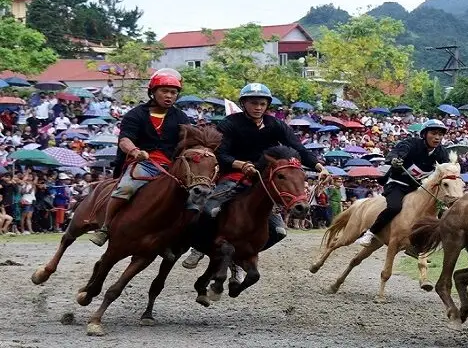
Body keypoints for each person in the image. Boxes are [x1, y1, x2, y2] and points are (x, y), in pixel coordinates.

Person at [181, 83, 329, 270]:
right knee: (210, 209)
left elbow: (298, 149)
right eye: (253, 103)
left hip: (264, 181)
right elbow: (220, 153)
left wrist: (319, 167)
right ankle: (199, 247)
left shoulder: (276, 125)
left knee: (279, 232)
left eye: (262, 103)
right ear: (244, 103)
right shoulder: (230, 123)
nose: (258, 107)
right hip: (234, 175)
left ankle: (239, 255)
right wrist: (241, 164)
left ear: (267, 105)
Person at [89, 68, 192, 250]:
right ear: (152, 92)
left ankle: (177, 237)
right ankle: (105, 227)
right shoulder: (135, 114)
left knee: (193, 196)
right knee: (126, 187)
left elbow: (188, 141)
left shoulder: (181, 117)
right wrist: (136, 151)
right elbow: (124, 140)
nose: (169, 96)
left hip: (171, 167)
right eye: (164, 91)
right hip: (144, 163)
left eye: (173, 92)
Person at [353, 119, 449, 251]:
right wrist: (394, 159)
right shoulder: (411, 143)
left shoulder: (442, 152)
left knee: (438, 210)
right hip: (398, 184)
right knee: (394, 207)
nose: (437, 137)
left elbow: (447, 168)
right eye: (433, 133)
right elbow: (397, 152)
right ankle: (370, 233)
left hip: (418, 189)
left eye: (440, 134)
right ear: (424, 134)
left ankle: (420, 246)